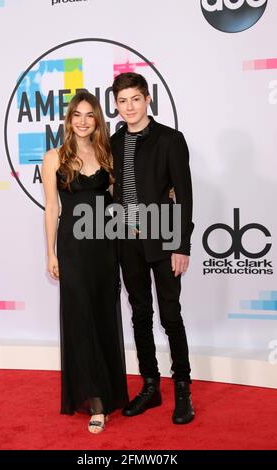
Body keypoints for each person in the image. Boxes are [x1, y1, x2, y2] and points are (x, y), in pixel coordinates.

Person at [41, 91, 129, 434]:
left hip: (105, 247)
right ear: (68, 119)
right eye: (76, 114)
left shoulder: (107, 154)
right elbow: (52, 208)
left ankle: (108, 389)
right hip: (74, 249)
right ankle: (95, 401)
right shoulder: (53, 158)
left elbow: (119, 201)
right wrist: (50, 252)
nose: (82, 120)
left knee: (104, 315)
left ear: (97, 120)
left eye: (89, 115)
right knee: (81, 320)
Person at [110, 72, 195, 424]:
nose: (129, 106)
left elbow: (184, 195)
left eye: (135, 99)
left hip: (164, 240)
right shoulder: (113, 143)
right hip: (126, 242)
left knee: (171, 316)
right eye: (122, 101)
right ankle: (150, 386)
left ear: (148, 100)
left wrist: (181, 244)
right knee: (140, 316)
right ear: (116, 106)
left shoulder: (170, 140)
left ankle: (182, 390)